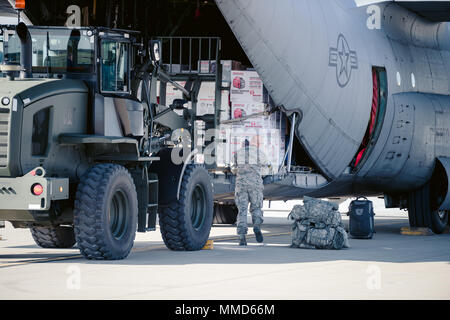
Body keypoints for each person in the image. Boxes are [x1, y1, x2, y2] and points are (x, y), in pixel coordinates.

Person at [233, 134, 269, 246]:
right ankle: (257, 227)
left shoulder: (238, 153)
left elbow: (233, 169)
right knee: (256, 208)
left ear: (243, 145)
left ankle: (242, 237)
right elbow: (266, 170)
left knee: (242, 211)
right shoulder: (260, 153)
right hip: (255, 185)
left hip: (241, 185)